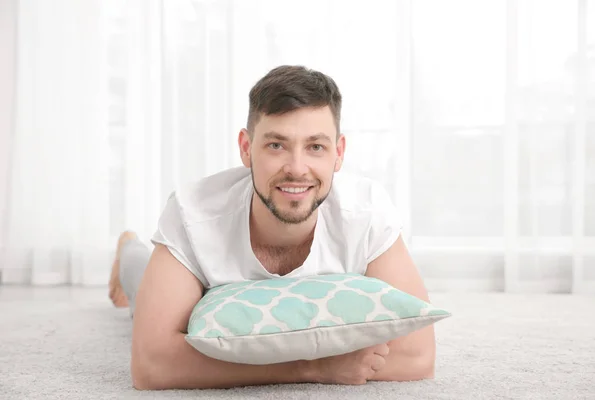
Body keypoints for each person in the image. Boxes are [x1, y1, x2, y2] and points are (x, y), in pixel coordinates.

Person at [108, 65, 436, 390]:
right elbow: (152, 366)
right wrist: (314, 368)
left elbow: (417, 355)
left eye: (315, 147)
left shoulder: (366, 212)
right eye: (276, 145)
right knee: (139, 282)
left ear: (339, 153)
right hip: (192, 276)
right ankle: (128, 249)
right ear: (246, 148)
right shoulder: (192, 212)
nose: (296, 169)